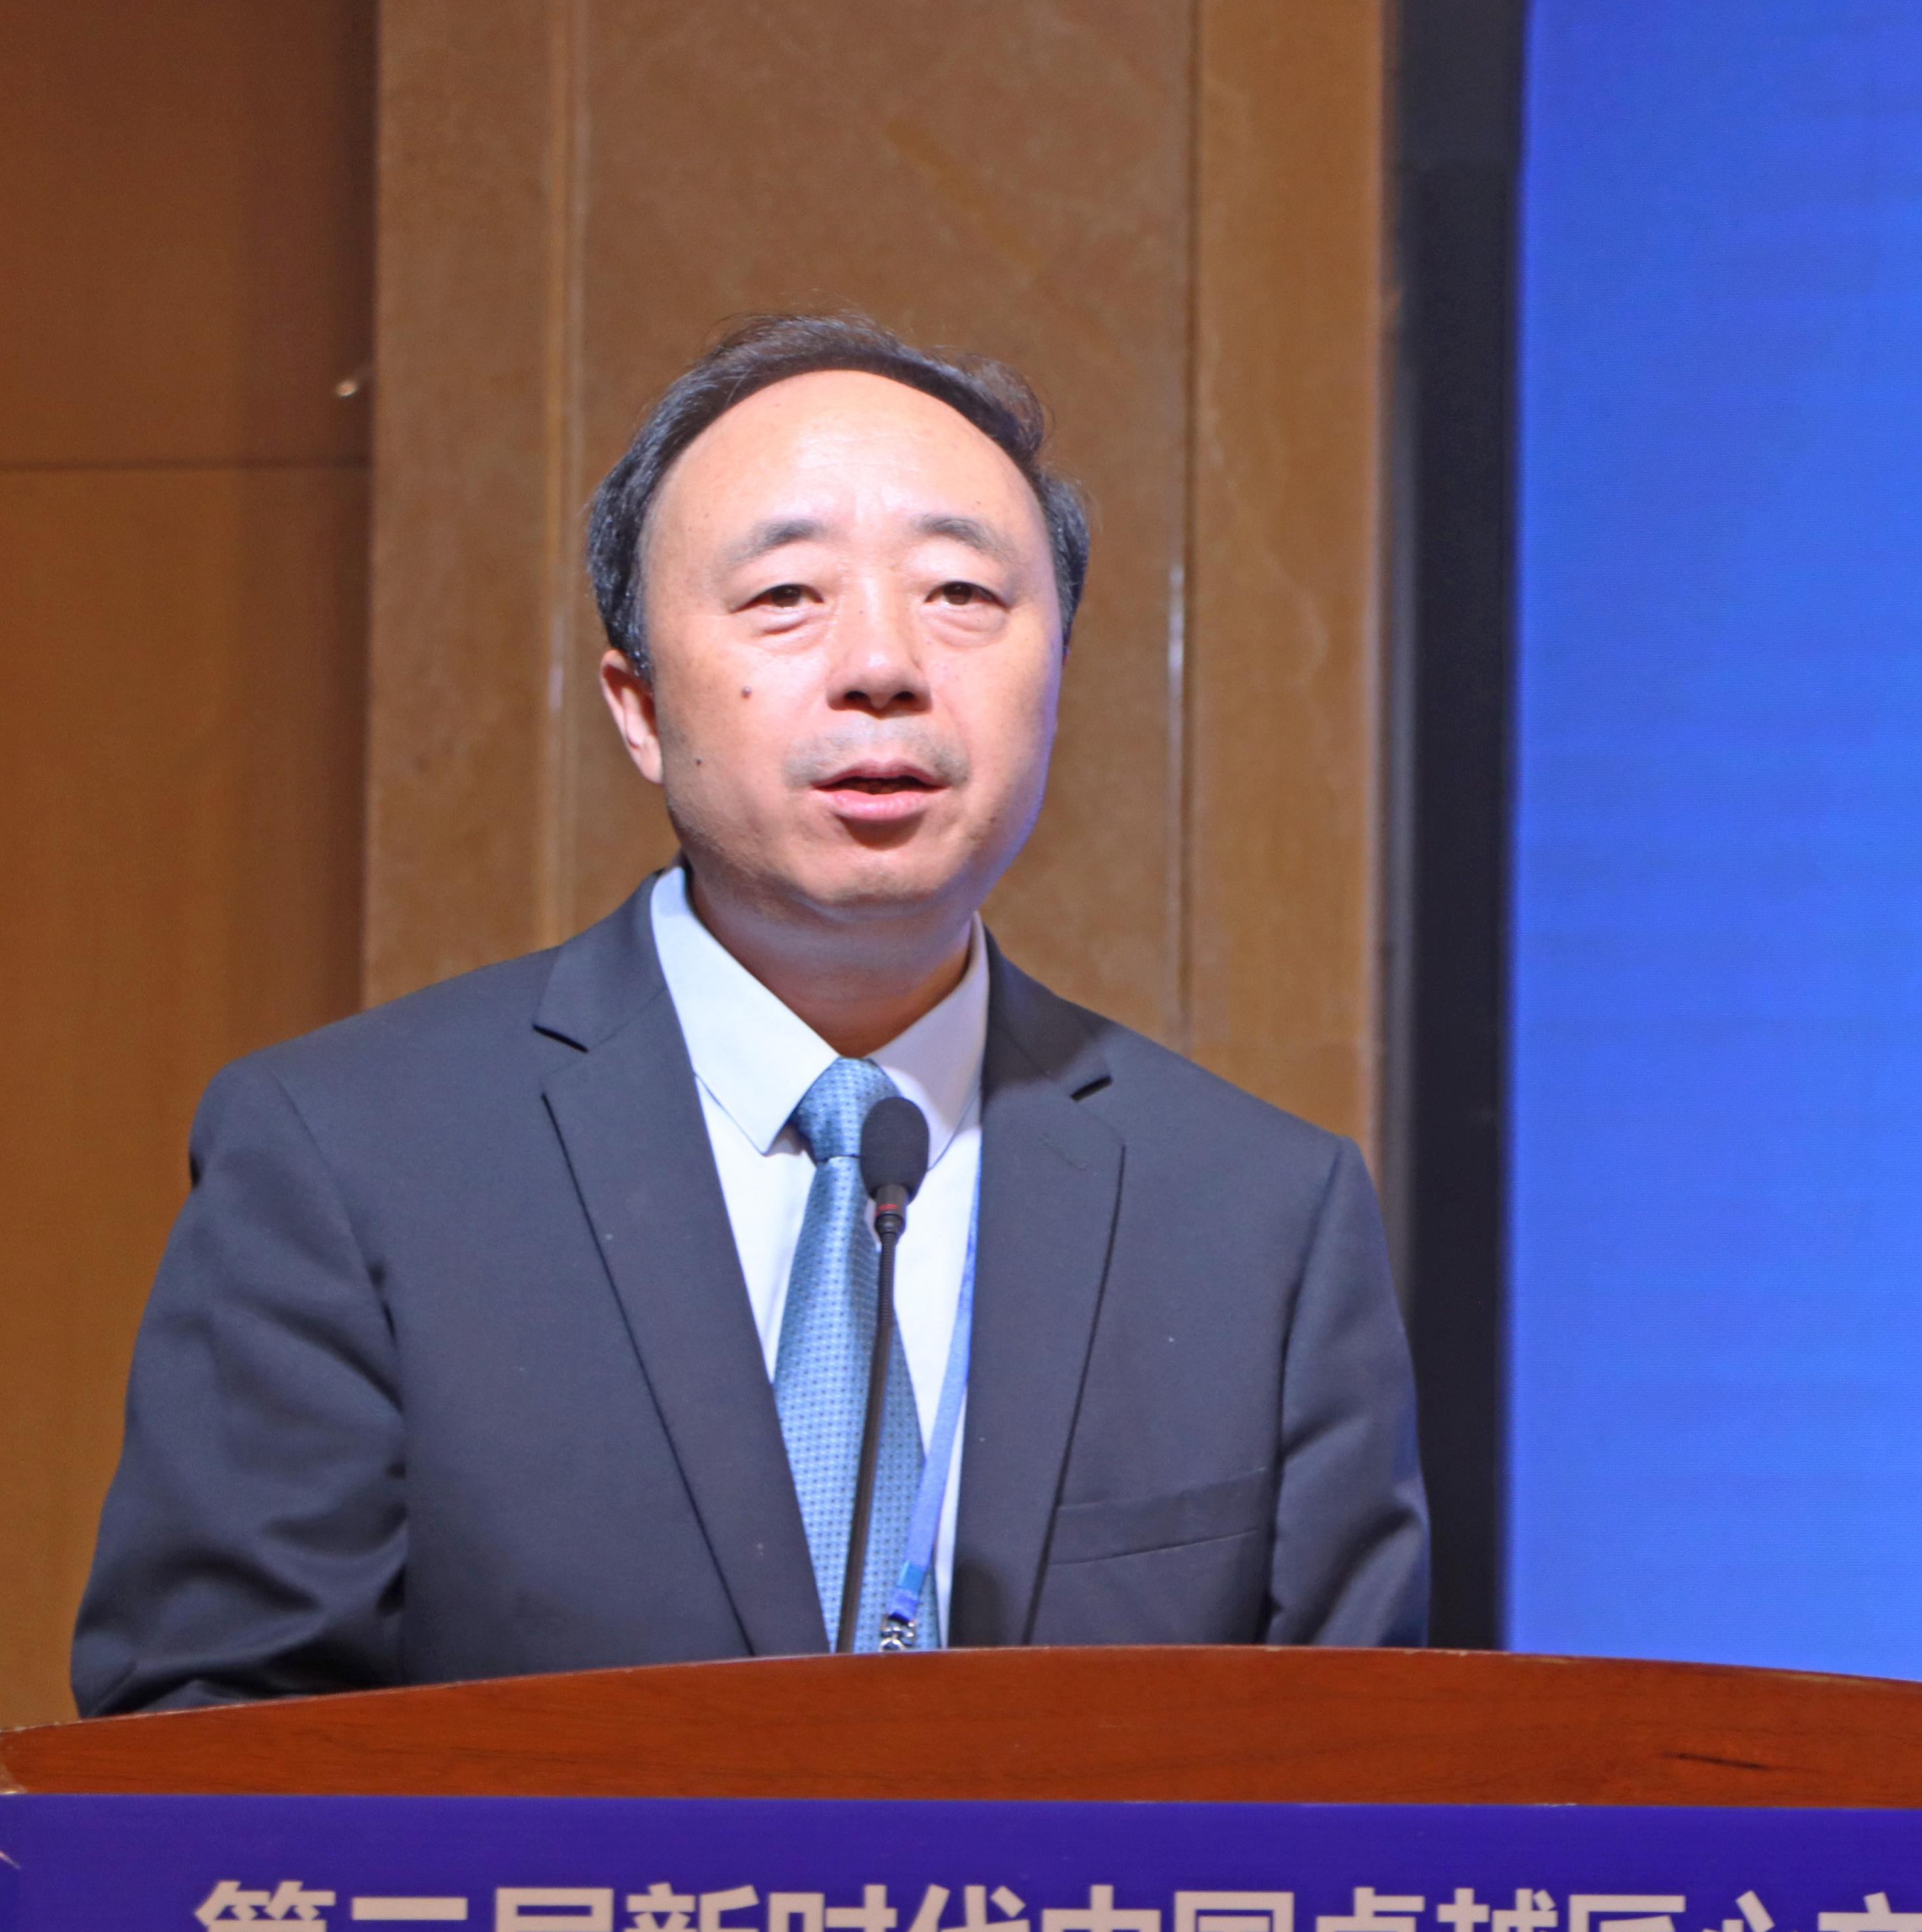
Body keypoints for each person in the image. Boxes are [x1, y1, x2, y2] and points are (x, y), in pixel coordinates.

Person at [70, 313, 1427, 1714]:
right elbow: (203, 1758)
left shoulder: (1262, 1216)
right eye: (787, 594)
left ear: (1058, 681)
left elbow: (1363, 1790)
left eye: (961, 592)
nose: (883, 665)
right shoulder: (350, 1161)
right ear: (638, 705)